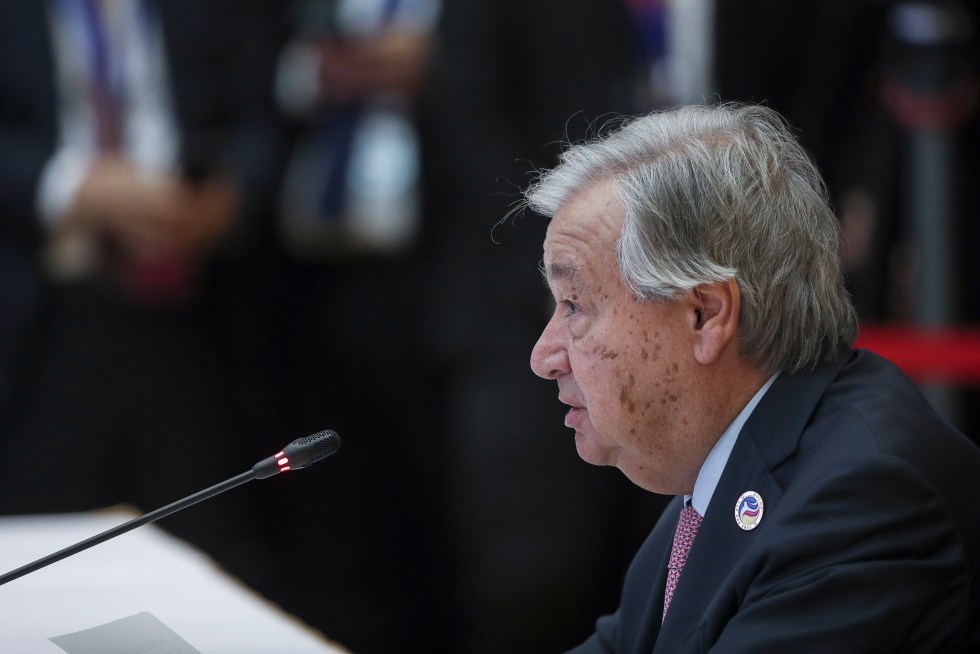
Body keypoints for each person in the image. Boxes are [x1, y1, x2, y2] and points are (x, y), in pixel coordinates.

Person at [524, 103, 980, 653]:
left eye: (575, 304)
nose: (544, 356)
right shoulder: (735, 457)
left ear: (706, 315)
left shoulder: (862, 498)